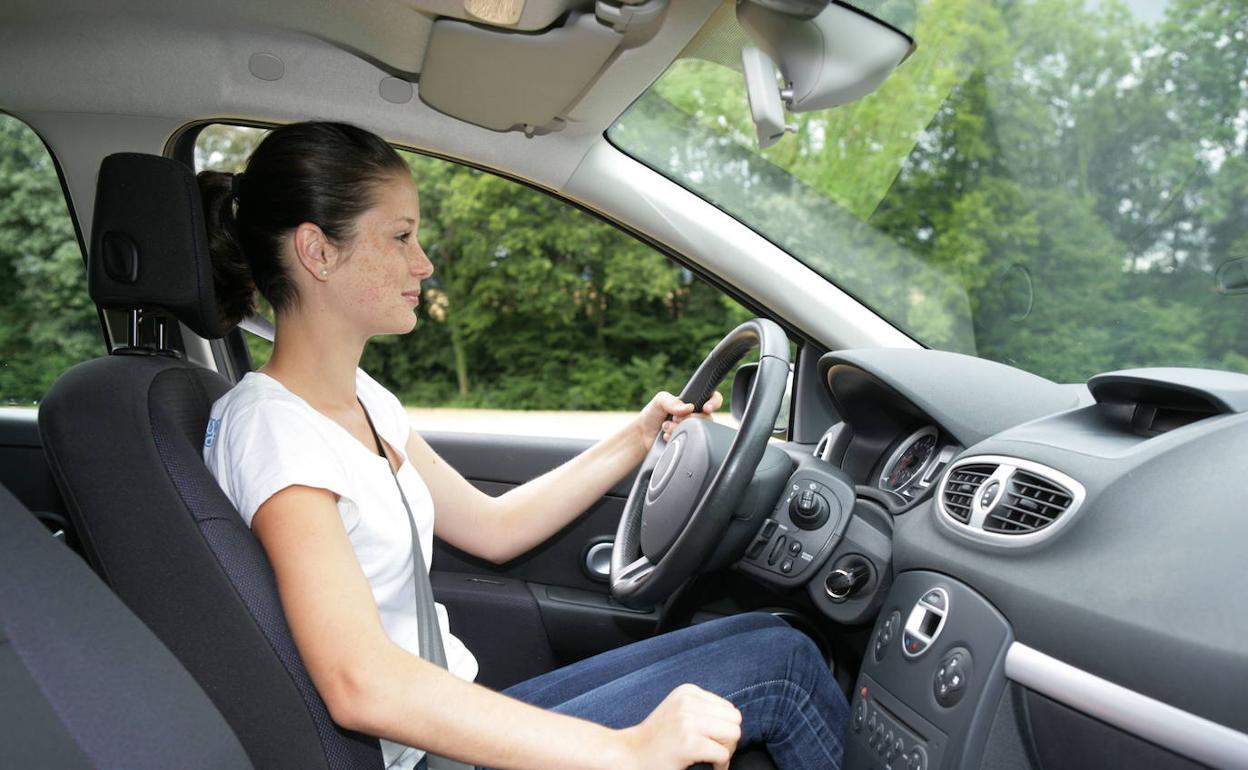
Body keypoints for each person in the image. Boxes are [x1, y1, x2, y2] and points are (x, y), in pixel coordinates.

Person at [200, 121, 848, 770]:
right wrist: (622, 751)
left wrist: (637, 437)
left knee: (774, 637)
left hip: (451, 719)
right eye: (400, 236)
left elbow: (492, 527)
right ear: (317, 251)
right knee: (782, 670)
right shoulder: (272, 431)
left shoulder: (361, 397)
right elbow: (359, 683)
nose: (422, 263)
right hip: (421, 761)